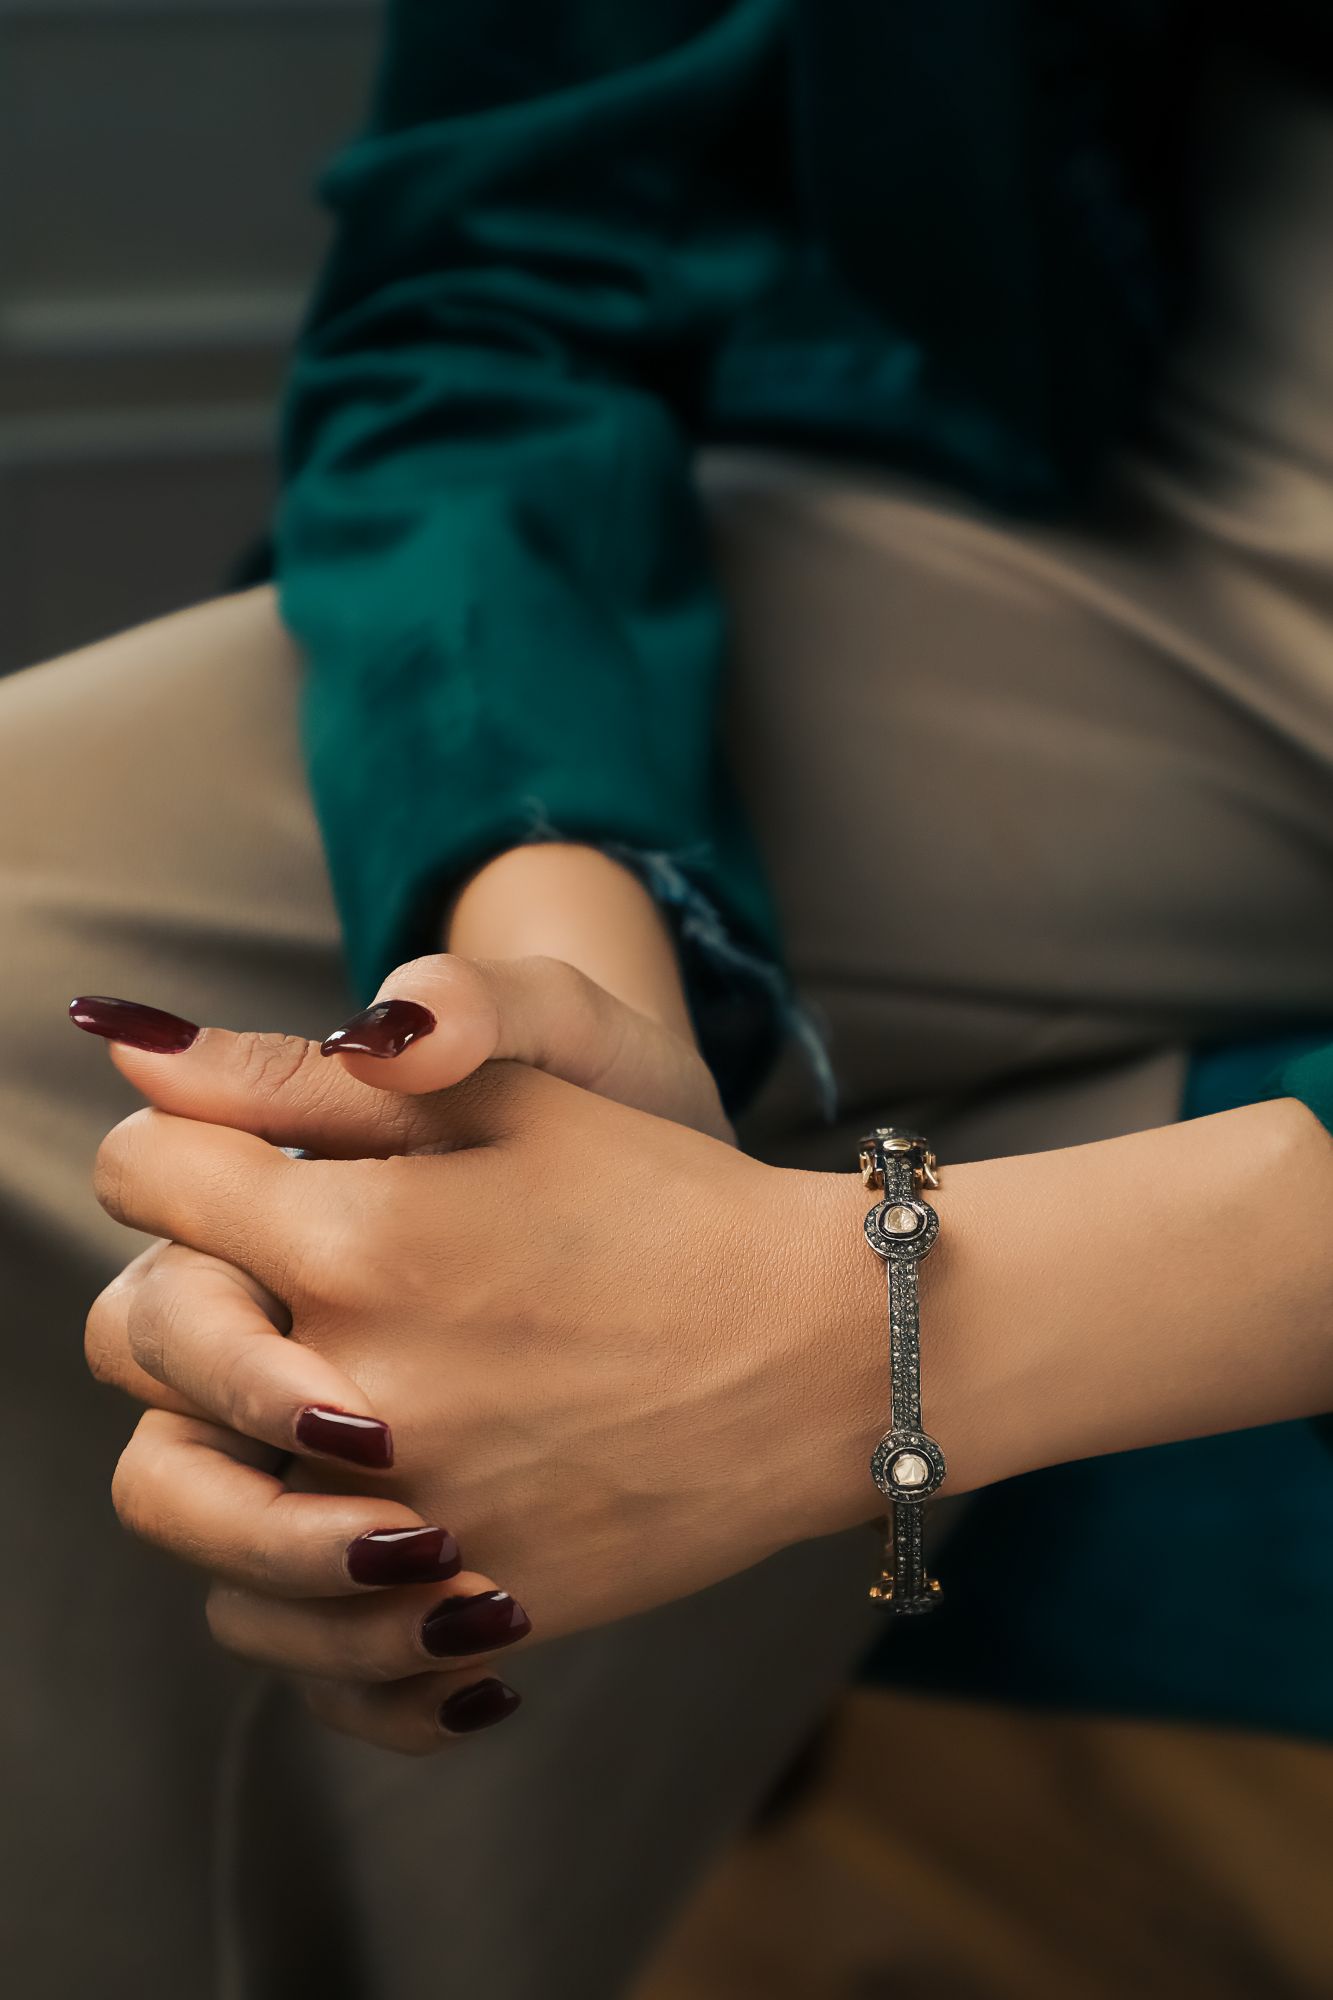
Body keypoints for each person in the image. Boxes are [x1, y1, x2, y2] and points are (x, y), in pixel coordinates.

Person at [4, 5, 1333, 1996]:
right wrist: (565, 949)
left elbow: (855, 1331)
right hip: (1197, 429)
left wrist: (869, 1336)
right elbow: (503, 244)